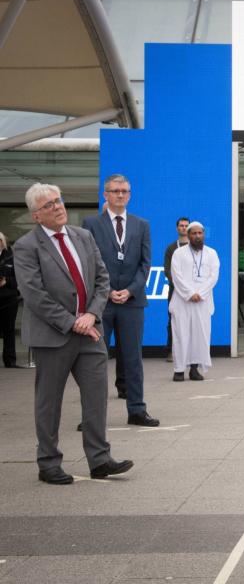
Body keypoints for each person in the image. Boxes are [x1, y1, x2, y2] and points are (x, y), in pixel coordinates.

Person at [14, 183, 134, 484]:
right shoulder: (26, 246)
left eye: (59, 200)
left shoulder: (83, 236)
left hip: (90, 332)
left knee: (96, 397)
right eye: (49, 205)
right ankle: (48, 462)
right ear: (36, 216)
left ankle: (100, 459)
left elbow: (102, 278)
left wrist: (91, 315)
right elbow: (34, 294)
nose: (58, 207)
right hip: (53, 336)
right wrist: (71, 321)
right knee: (49, 401)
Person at [82, 174, 158, 428]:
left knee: (133, 358)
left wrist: (130, 290)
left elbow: (145, 264)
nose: (120, 195)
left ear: (130, 195)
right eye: (115, 191)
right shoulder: (91, 224)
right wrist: (107, 292)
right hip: (101, 303)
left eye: (124, 191)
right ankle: (93, 416)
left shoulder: (141, 225)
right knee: (94, 360)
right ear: (106, 194)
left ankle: (137, 410)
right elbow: (88, 263)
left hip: (132, 302)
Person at [169, 222, 220, 381]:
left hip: (202, 302)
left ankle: (194, 369)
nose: (197, 236)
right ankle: (179, 370)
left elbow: (213, 276)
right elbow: (176, 275)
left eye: (200, 233)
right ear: (188, 235)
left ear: (204, 234)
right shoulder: (178, 253)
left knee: (200, 336)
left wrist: (201, 293)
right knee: (181, 335)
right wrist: (190, 293)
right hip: (183, 301)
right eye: (194, 233)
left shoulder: (211, 253)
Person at [163, 217, 190, 362]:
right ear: (177, 228)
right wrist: (180, 285)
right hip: (175, 291)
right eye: (181, 225)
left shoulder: (195, 247)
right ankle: (171, 351)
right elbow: (167, 270)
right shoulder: (171, 248)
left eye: (186, 225)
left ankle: (192, 352)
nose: (184, 228)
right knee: (173, 319)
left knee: (193, 321)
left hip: (193, 292)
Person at [0, 231, 22, 368]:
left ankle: (10, 360)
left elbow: (19, 278)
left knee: (9, 330)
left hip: (9, 299)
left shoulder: (12, 257)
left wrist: (6, 281)